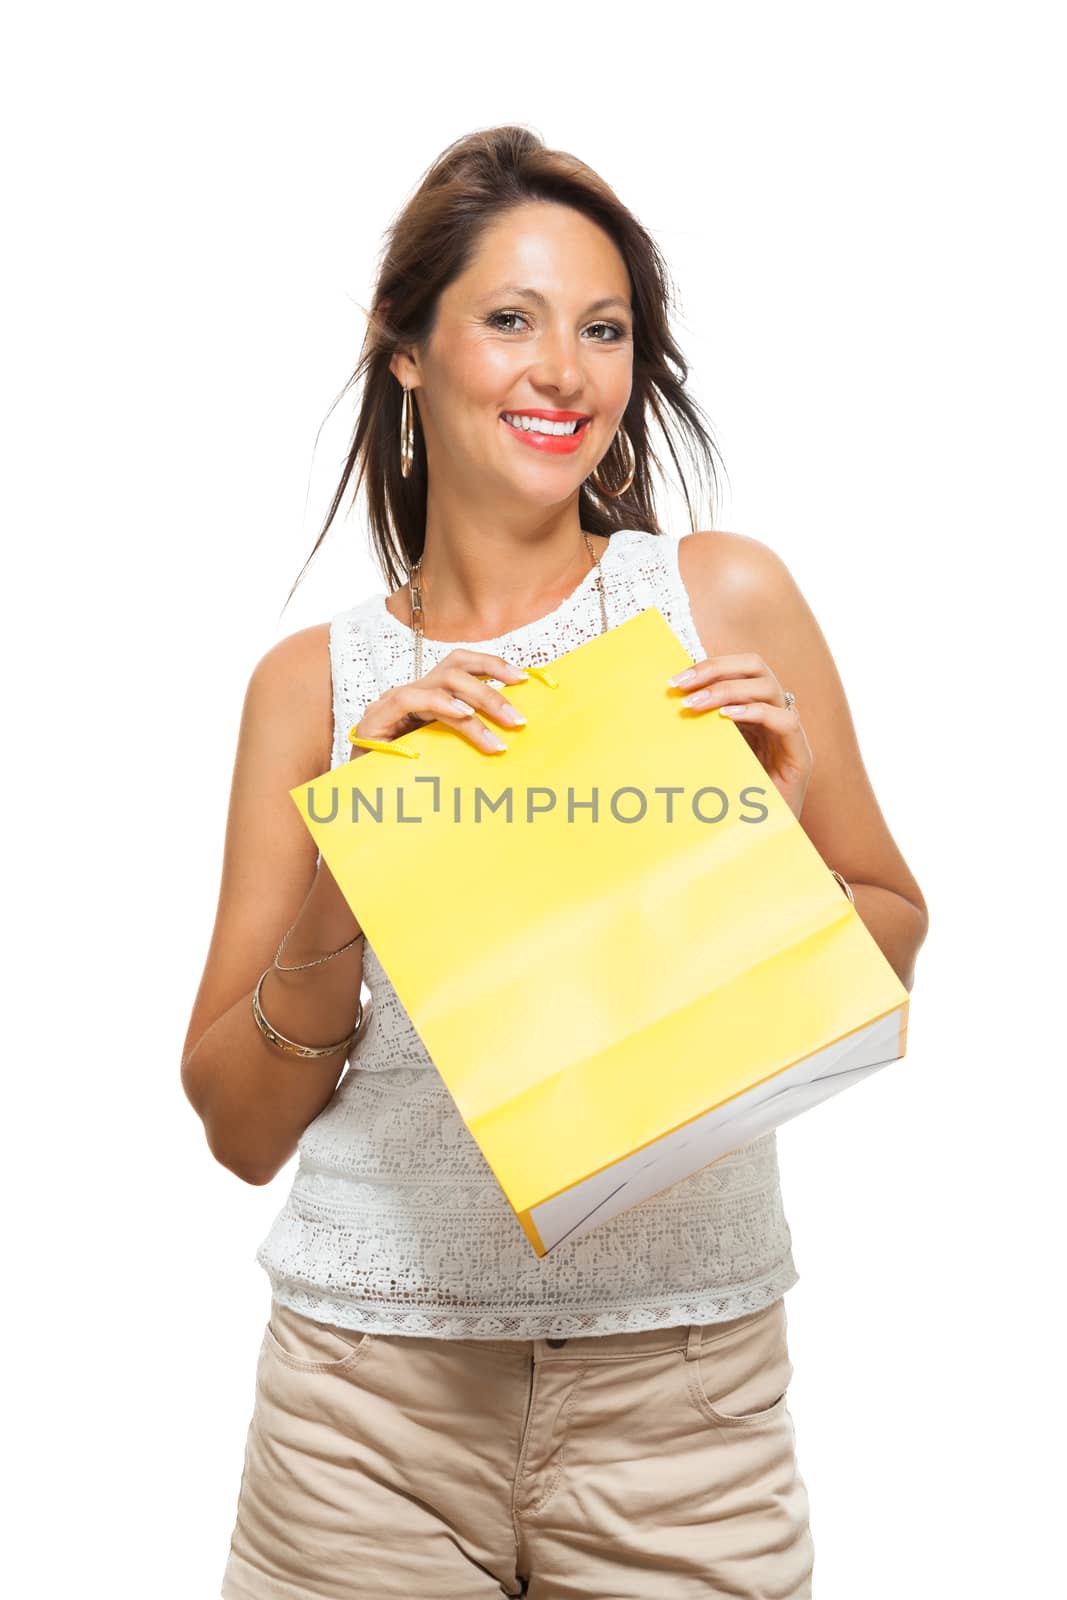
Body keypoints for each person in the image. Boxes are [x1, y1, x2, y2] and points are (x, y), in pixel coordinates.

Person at [182, 125, 928, 1600]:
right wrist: (355, 853)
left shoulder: (716, 603)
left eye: (603, 330)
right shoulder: (309, 685)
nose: (564, 371)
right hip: (363, 1414)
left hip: (686, 1409)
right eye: (511, 320)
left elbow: (890, 935)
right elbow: (238, 1124)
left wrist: (756, 849)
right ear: (409, 351)